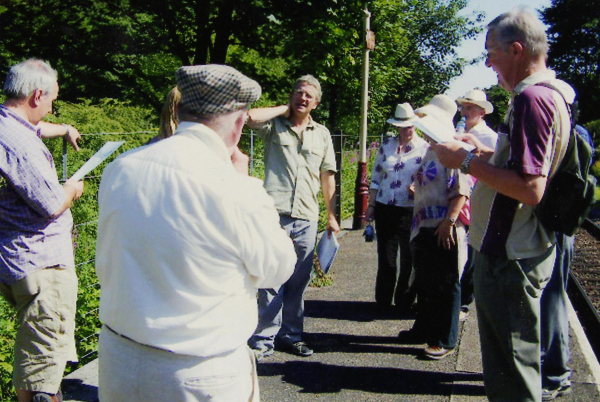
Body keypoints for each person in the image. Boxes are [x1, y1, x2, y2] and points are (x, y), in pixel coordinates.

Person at [95, 64, 296, 401]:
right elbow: (276, 269)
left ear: (183, 109)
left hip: (119, 361)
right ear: (238, 122)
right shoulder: (236, 189)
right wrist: (247, 185)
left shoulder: (121, 168)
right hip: (199, 373)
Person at [432, 8, 575, 401]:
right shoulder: (556, 94)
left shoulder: (531, 99)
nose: (488, 62)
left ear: (516, 49)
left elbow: (531, 188)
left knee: (511, 372)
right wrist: (483, 155)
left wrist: (463, 161)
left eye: (490, 52)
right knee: (510, 367)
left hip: (510, 254)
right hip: (520, 246)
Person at [0, 58, 84, 402]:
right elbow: (51, 203)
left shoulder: (8, 125)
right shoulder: (18, 143)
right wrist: (74, 188)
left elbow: (38, 129)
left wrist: (63, 128)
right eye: (51, 100)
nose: (51, 108)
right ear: (37, 95)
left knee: (38, 353)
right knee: (41, 366)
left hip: (19, 259)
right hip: (41, 264)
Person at [247, 74, 340, 359]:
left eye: (308, 96)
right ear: (291, 95)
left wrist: (331, 215)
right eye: (298, 93)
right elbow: (250, 117)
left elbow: (327, 176)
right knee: (270, 278)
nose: (303, 98)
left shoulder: (322, 134)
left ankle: (291, 335)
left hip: (306, 216)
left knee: (299, 280)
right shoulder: (275, 126)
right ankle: (263, 339)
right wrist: (282, 109)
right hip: (274, 213)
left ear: (317, 103)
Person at [396, 94, 470, 360]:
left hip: (443, 227)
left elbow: (462, 191)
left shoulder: (452, 149)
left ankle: (444, 338)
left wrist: (449, 221)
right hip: (425, 225)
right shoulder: (431, 149)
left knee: (447, 283)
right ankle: (424, 329)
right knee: (426, 281)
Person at [540, 125, 594, 401]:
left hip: (553, 222)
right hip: (562, 220)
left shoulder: (562, 134)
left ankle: (554, 375)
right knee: (553, 294)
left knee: (551, 296)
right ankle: (553, 371)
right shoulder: (579, 133)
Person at [365, 103, 428, 312]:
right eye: (402, 126)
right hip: (385, 206)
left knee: (408, 258)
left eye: (409, 126)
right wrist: (371, 205)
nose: (406, 130)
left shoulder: (425, 148)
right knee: (386, 256)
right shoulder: (386, 146)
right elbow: (376, 177)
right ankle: (383, 300)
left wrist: (418, 187)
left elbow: (430, 178)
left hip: (409, 207)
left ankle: (404, 300)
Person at [454, 89, 498, 322]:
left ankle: (464, 301)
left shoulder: (488, 137)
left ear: (482, 112)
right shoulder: (459, 133)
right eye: (464, 107)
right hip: (460, 197)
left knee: (472, 250)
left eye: (470, 107)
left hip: (477, 198)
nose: (465, 111)